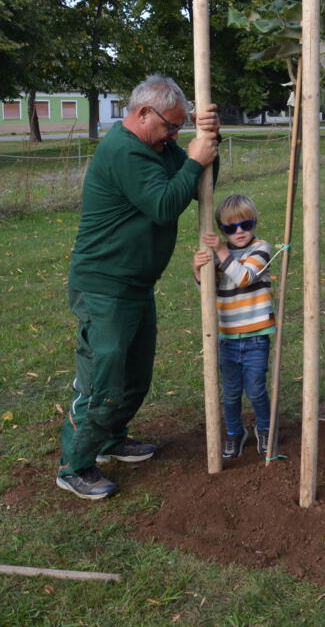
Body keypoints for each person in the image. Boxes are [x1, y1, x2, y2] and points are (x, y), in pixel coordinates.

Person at [56, 74, 219, 500]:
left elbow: (199, 183)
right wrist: (193, 160)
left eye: (180, 128)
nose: (175, 135)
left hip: (135, 283)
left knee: (135, 375)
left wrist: (209, 140)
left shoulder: (157, 147)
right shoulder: (123, 151)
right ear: (144, 113)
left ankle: (111, 438)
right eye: (171, 125)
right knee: (103, 378)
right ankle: (75, 465)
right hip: (104, 285)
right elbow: (165, 205)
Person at [192, 194, 276, 461]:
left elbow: (244, 278)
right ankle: (234, 432)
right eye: (230, 228)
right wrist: (198, 272)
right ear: (222, 229)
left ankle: (265, 429)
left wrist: (221, 251)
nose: (239, 232)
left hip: (256, 337)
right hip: (228, 337)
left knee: (256, 390)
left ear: (255, 223)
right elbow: (209, 293)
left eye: (245, 225)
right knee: (230, 393)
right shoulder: (219, 256)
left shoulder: (261, 249)